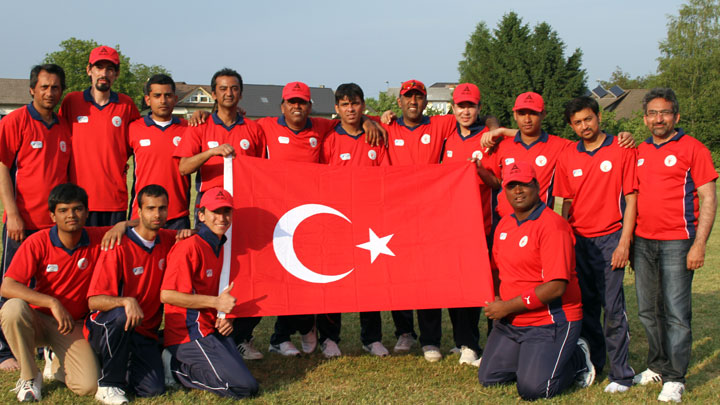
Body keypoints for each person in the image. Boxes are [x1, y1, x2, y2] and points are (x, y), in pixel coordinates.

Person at [478, 161, 595, 400]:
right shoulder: (505, 225)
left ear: (537, 186)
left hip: (549, 321)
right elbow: (497, 270)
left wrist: (505, 307)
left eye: (524, 184)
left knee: (534, 389)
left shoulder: (553, 226)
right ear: (505, 191)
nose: (518, 191)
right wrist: (497, 297)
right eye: (512, 186)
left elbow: (556, 287)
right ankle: (532, 357)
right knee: (490, 378)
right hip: (512, 322)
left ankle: (578, 358)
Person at [0, 184, 128, 402]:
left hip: (71, 324)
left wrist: (123, 225)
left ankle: (56, 359)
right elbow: (8, 286)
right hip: (37, 320)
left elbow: (142, 224)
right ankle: (30, 376)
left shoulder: (98, 237)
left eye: (77, 209)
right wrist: (52, 302)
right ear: (52, 215)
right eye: (63, 210)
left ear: (87, 213)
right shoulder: (38, 242)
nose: (71, 215)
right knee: (12, 309)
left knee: (88, 385)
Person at [632, 88, 717, 403]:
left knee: (677, 313)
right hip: (643, 242)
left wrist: (699, 244)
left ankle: (675, 378)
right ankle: (657, 366)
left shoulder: (693, 148)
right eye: (653, 113)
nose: (658, 119)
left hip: (678, 242)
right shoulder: (639, 150)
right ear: (645, 119)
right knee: (648, 311)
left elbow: (709, 197)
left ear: (676, 116)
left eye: (664, 112)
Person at [554, 96, 637, 393]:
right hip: (580, 241)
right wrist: (564, 239)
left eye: (588, 119)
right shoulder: (567, 156)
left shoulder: (621, 148)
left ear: (598, 116)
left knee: (613, 309)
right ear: (571, 126)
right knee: (586, 308)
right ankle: (594, 365)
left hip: (611, 238)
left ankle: (621, 374)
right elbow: (564, 203)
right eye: (577, 122)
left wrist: (624, 243)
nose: (584, 126)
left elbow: (631, 199)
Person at [85, 185, 188, 404]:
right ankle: (108, 384)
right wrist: (125, 300)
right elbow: (94, 300)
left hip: (144, 334)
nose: (157, 214)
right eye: (150, 208)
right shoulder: (117, 244)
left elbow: (197, 236)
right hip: (110, 325)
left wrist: (189, 233)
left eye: (162, 208)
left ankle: (142, 359)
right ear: (138, 211)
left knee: (152, 390)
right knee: (122, 314)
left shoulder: (168, 239)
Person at [0, 64, 72, 371]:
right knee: (13, 283)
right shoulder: (15, 121)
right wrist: (12, 212)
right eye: (44, 87)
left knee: (47, 286)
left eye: (55, 87)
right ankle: (5, 350)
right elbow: (3, 167)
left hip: (52, 225)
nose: (50, 92)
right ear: (32, 89)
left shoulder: (64, 126)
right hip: (22, 222)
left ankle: (43, 345)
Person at [161, 187, 258, 399]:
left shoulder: (221, 245)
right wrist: (216, 303)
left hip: (210, 327)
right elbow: (167, 295)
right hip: (187, 332)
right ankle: (175, 367)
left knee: (247, 381)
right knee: (245, 388)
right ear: (201, 215)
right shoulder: (189, 246)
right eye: (215, 212)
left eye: (226, 212)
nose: (222, 218)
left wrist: (225, 317)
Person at [317, 83, 388, 358]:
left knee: (370, 280)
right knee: (333, 279)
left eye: (355, 103)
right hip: (336, 220)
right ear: (337, 108)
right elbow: (318, 180)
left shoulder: (376, 138)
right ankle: (329, 338)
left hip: (368, 221)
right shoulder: (330, 139)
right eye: (345, 104)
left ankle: (372, 338)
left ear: (363, 106)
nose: (350, 109)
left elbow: (385, 178)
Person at [442, 83, 500, 366]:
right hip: (454, 227)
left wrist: (478, 170)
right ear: (453, 108)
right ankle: (465, 342)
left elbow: (498, 183)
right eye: (461, 106)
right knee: (458, 286)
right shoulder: (446, 138)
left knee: (489, 287)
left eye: (471, 106)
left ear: (479, 108)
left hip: (486, 225)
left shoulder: (490, 138)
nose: (466, 111)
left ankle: (496, 342)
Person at [59, 45, 140, 226]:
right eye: (99, 67)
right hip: (78, 198)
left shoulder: (126, 105)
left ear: (116, 74)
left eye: (110, 69)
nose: (104, 73)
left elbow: (139, 140)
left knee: (111, 252)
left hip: (113, 199)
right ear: (89, 70)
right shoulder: (71, 101)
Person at [174, 68, 266, 222]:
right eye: (223, 89)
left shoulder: (254, 129)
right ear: (214, 94)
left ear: (241, 94)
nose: (229, 93)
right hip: (209, 201)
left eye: (234, 89)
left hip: (244, 201)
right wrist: (211, 152)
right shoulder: (200, 125)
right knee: (209, 245)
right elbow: (184, 168)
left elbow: (262, 171)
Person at [128, 74, 191, 230]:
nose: (163, 101)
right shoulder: (133, 128)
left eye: (168, 95)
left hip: (177, 216)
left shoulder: (188, 128)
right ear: (148, 100)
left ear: (175, 99)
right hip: (142, 215)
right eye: (157, 96)